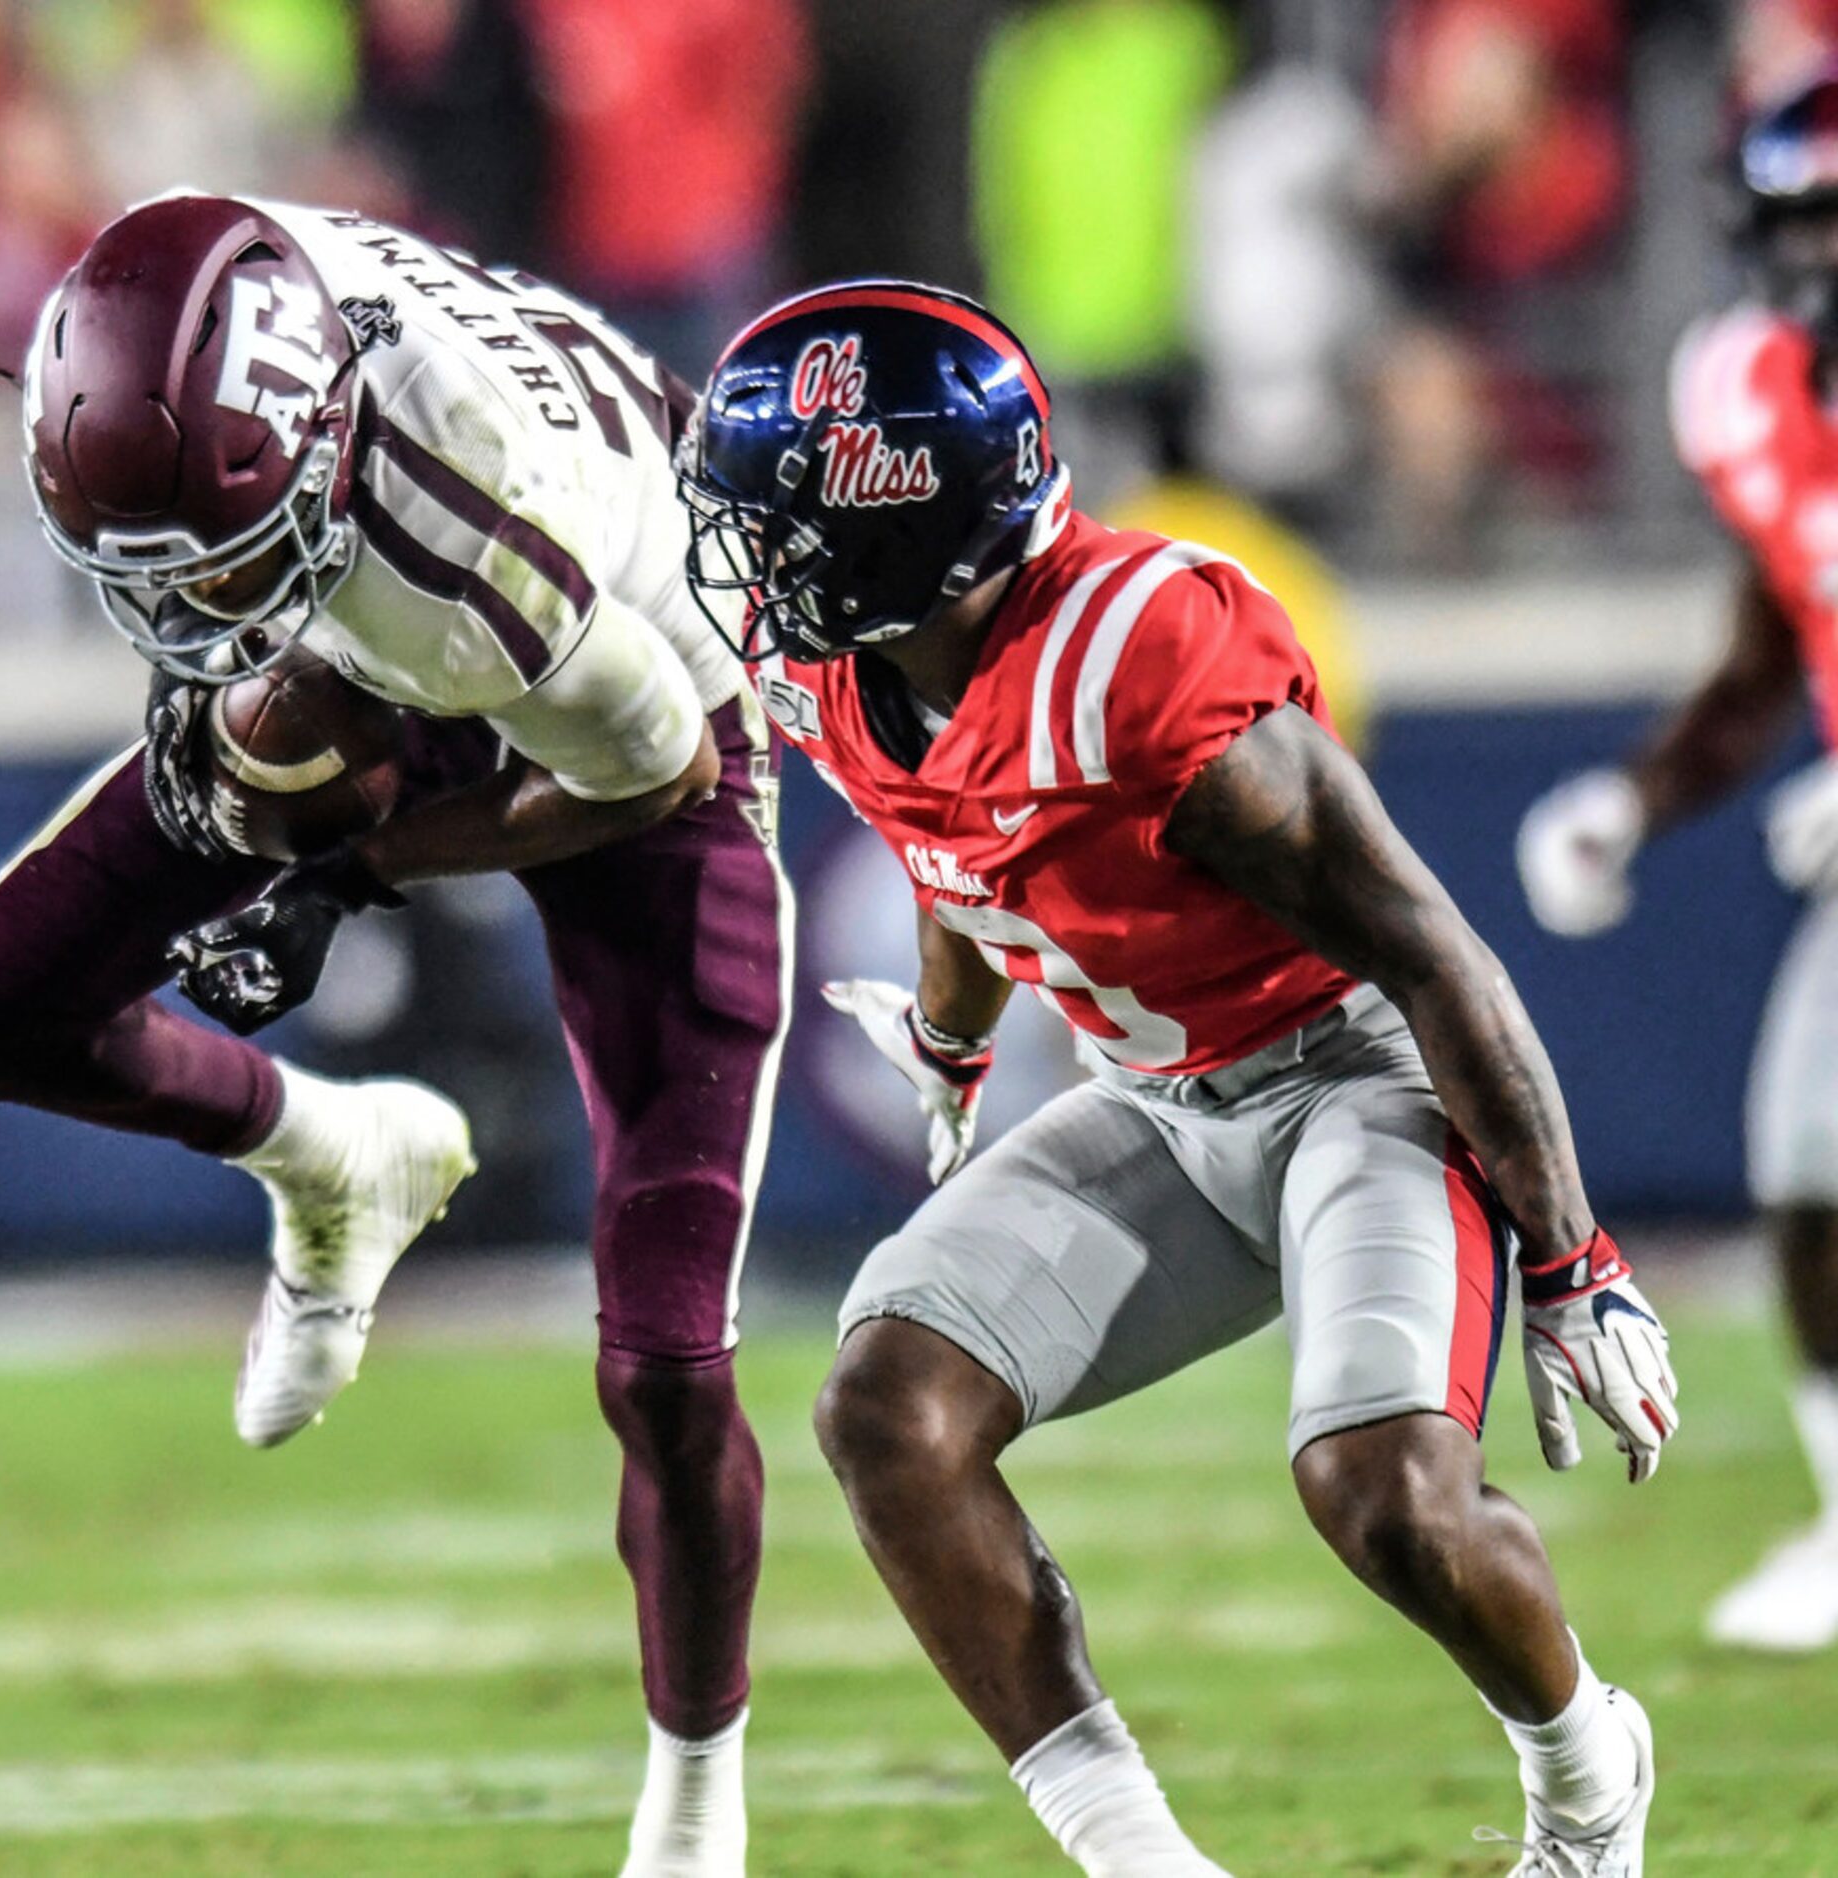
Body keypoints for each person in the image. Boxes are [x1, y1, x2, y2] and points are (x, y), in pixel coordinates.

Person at [679, 282, 1678, 1875]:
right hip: (1158, 1097)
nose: (752, 558)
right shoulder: (843, 666)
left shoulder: (1134, 655)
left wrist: (1572, 1261)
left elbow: (1430, 952)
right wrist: (948, 1032)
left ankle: (1585, 1767)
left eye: (783, 518)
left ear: (907, 518)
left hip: (1357, 1074)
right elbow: (949, 849)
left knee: (1388, 1499)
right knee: (886, 1407)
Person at [0, 193, 789, 1878]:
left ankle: (692, 1826)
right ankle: (331, 1151)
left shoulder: (473, 538)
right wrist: (269, 740)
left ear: (307, 458)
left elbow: (646, 773)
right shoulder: (186, 329)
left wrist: (346, 869)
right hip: (384, 624)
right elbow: (233, 568)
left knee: (666, 1362)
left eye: (218, 566)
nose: (186, 611)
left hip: (639, 688)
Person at [1517, 64, 1838, 1656]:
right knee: (1807, 1156)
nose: (1826, 258)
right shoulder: (1743, 383)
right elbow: (1766, 651)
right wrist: (1633, 801)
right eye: (1806, 223)